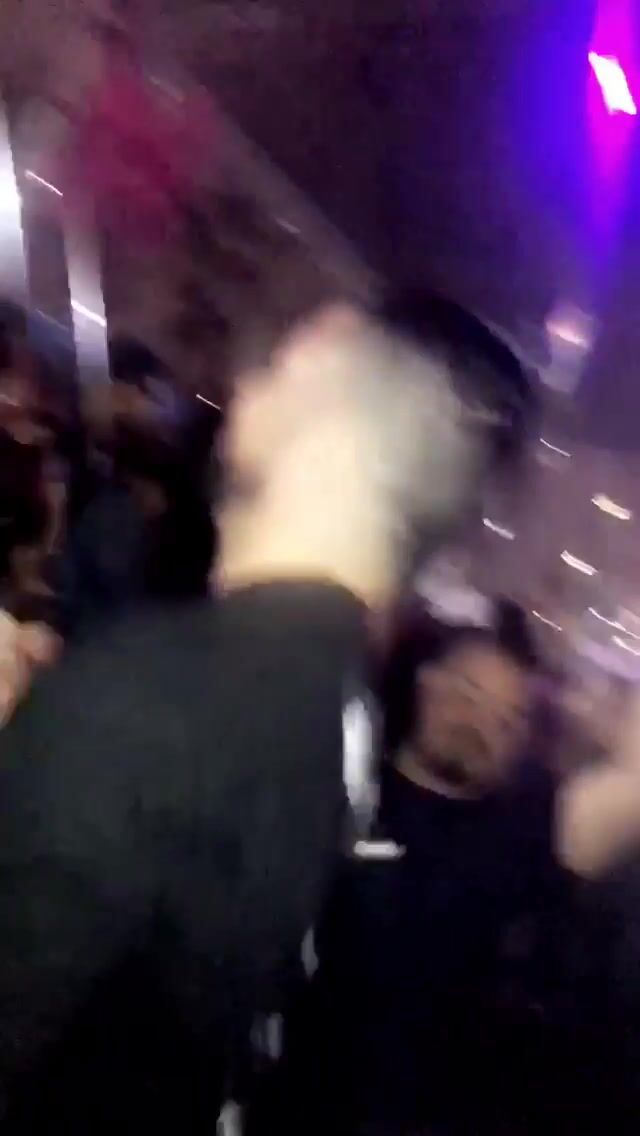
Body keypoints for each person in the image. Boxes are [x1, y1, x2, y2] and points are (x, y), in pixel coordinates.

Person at [0, 289, 541, 1131]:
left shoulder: (152, 697)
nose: (248, 382)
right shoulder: (345, 709)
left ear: (335, 419)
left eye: (286, 358)